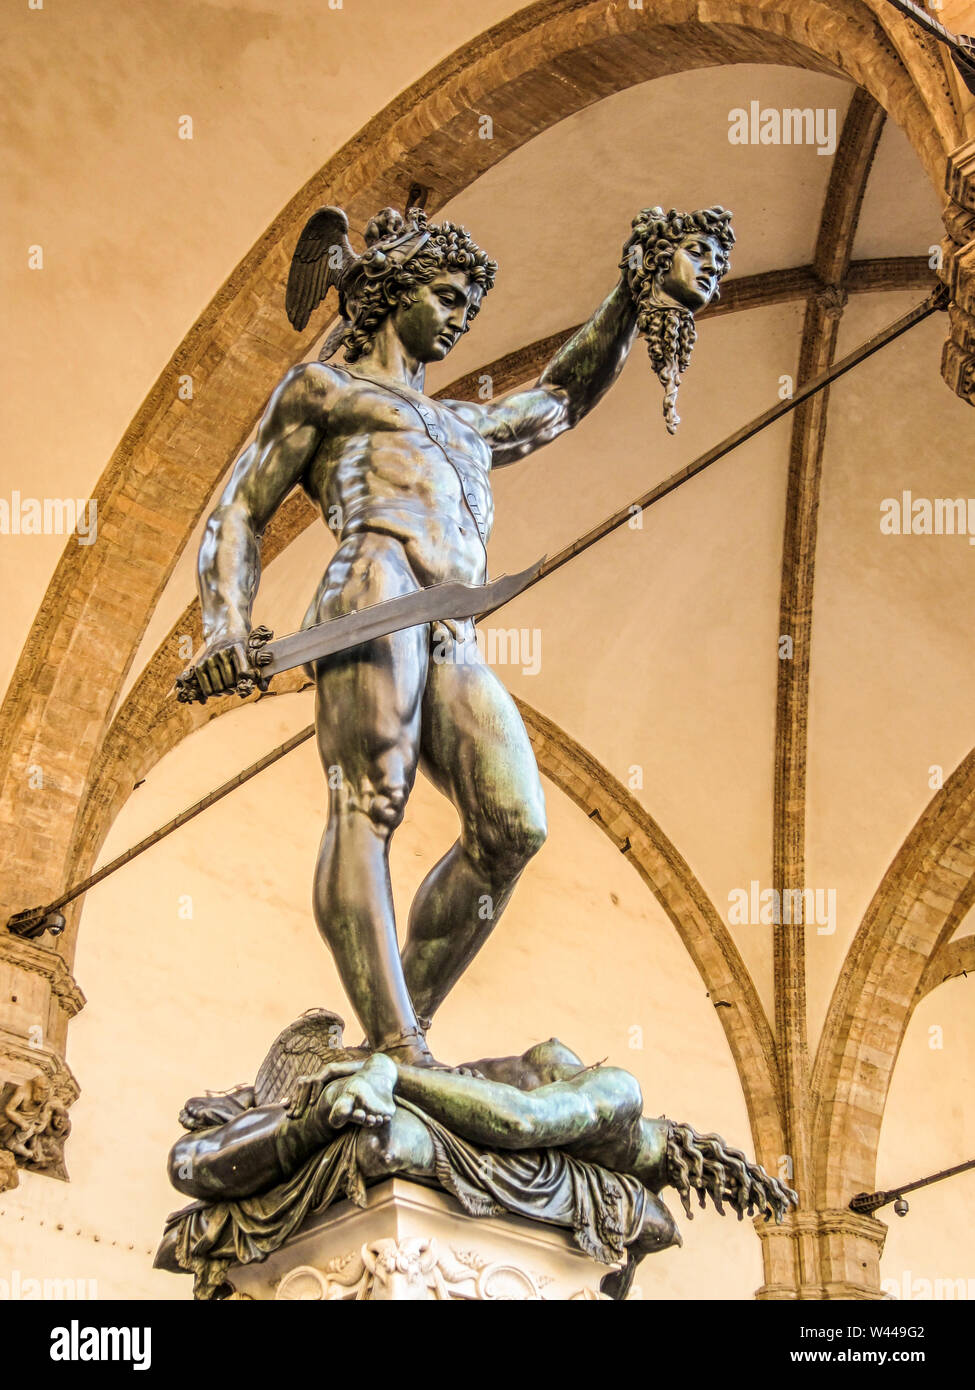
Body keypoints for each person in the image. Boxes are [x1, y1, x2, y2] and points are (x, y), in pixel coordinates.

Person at [181, 205, 733, 1063]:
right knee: (370, 803)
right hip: (375, 584)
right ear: (396, 288)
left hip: (452, 627)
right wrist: (223, 626)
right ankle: (399, 1042)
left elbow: (558, 397)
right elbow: (238, 514)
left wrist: (630, 295)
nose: (462, 317)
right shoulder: (325, 391)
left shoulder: (463, 424)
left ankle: (393, 1036)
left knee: (513, 827)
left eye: (471, 305)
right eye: (448, 296)